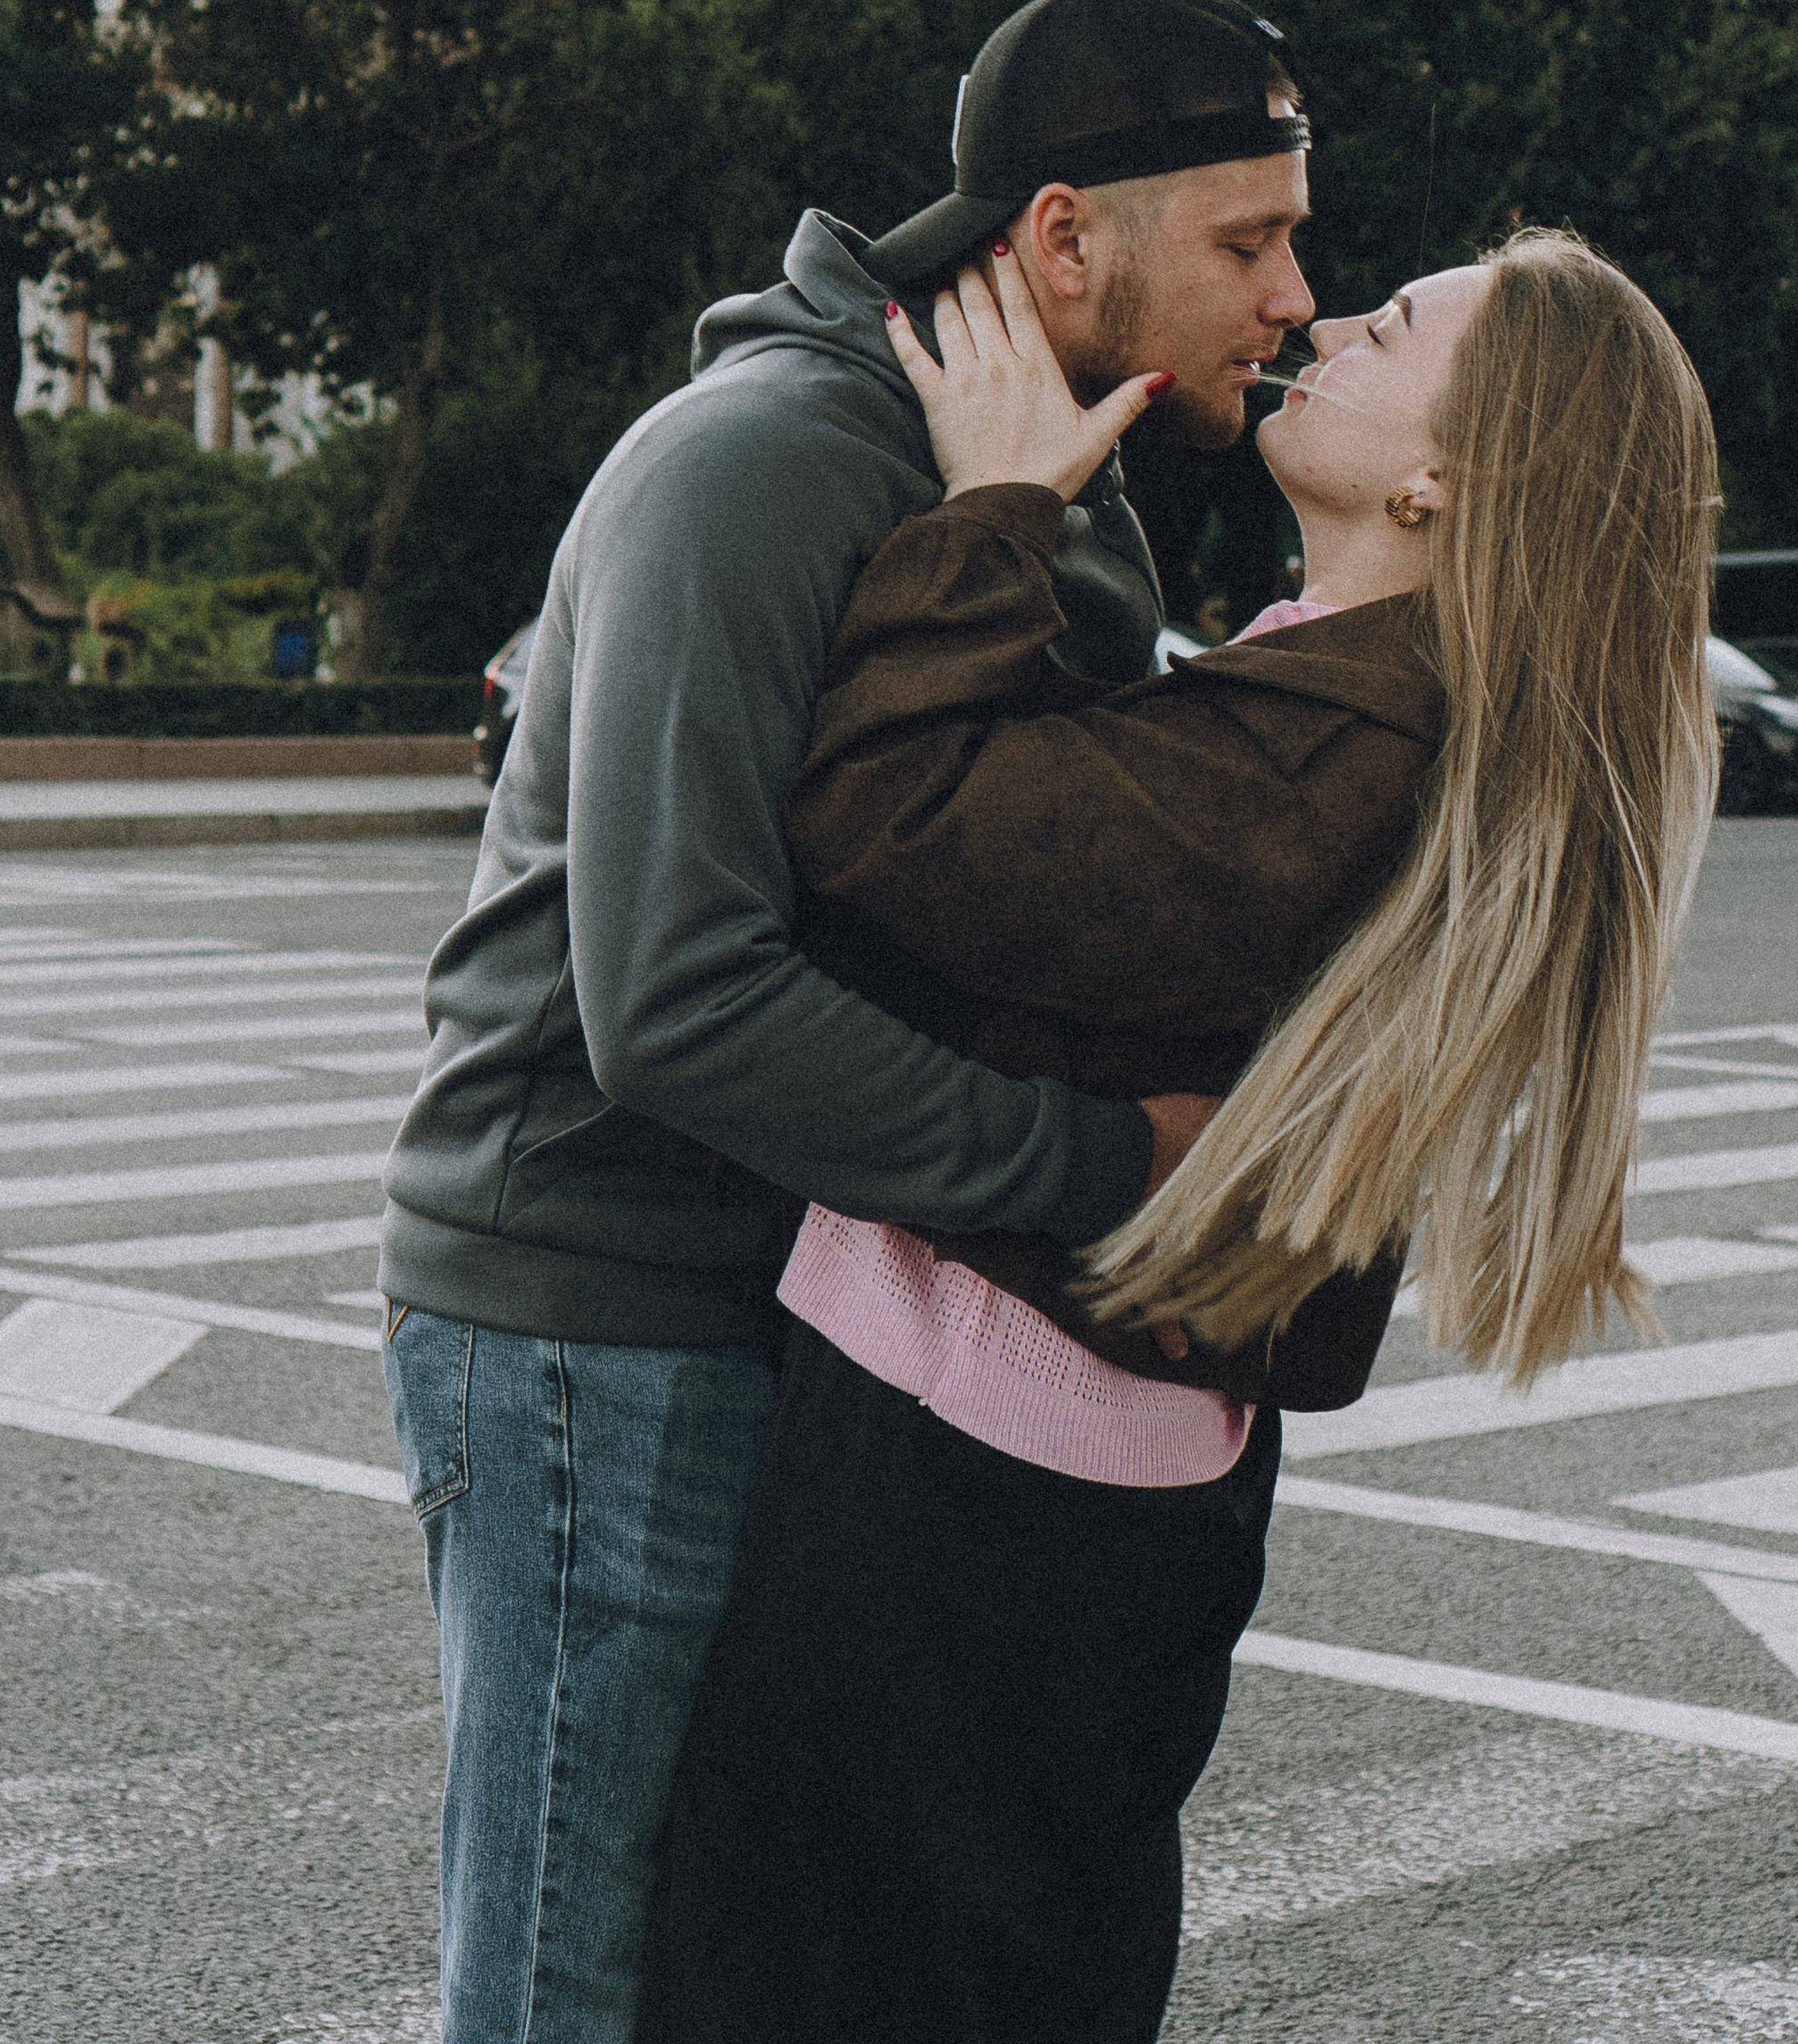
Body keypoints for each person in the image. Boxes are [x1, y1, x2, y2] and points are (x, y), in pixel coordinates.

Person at [375, 0, 1318, 2043]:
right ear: (1064, 235)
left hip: (778, 1299)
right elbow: (678, 1003)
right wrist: (1103, 1171)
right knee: (566, 1984)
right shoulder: (769, 462)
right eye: (1249, 242)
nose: (1290, 300)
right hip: (589, 1308)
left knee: (723, 1972)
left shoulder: (1034, 470)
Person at [640, 229, 1719, 2044]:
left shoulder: (1321, 750)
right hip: (1065, 1480)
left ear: (1439, 477)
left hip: (966, 1486)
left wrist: (987, 507)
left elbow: (885, 822)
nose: (1319, 314)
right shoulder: (1349, 702)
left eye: (1388, 326)